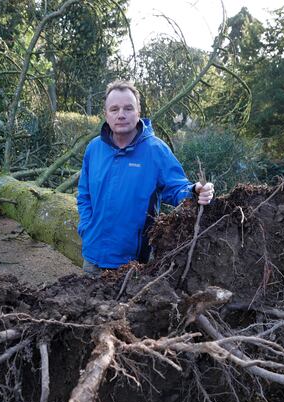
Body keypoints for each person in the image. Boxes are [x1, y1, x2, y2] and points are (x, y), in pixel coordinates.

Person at [77, 80, 214, 274]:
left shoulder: (155, 150)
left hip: (133, 263)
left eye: (128, 108)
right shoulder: (94, 149)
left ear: (138, 112)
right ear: (106, 114)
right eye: (114, 109)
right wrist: (86, 228)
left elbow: (177, 189)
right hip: (92, 258)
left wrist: (195, 191)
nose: (121, 115)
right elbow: (84, 195)